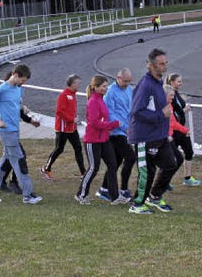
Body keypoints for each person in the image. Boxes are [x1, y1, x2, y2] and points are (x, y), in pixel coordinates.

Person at [127, 48, 179, 214]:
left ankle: (154, 196)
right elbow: (137, 111)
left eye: (166, 63)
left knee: (171, 164)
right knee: (147, 172)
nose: (164, 67)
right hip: (144, 136)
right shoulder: (146, 85)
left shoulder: (158, 84)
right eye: (161, 64)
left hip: (159, 135)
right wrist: (160, 115)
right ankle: (136, 204)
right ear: (150, 65)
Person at [0, 64, 42, 204]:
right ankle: (27, 195)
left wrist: (30, 120)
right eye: (22, 80)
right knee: (20, 161)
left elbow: (17, 106)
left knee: (6, 161)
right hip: (6, 132)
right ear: (15, 75)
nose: (23, 83)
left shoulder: (18, 89)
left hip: (14, 131)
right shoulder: (2, 89)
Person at [75, 76, 128, 206]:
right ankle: (81, 194)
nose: (105, 88)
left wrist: (108, 126)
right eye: (103, 86)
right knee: (94, 168)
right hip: (92, 141)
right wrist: (112, 125)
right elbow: (93, 122)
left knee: (113, 165)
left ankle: (114, 197)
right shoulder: (93, 101)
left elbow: (102, 119)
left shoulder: (100, 99)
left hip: (104, 139)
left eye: (106, 86)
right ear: (96, 87)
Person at [97, 68, 136, 201]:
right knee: (130, 157)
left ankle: (103, 188)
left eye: (129, 81)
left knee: (116, 161)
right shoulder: (110, 92)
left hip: (126, 130)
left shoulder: (129, 89)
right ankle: (123, 189)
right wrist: (124, 127)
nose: (127, 84)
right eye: (125, 81)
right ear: (118, 78)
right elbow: (110, 114)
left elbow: (131, 108)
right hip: (116, 132)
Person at [40, 74, 86, 180]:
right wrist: (72, 119)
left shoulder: (72, 94)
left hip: (71, 127)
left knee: (78, 148)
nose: (79, 85)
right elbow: (59, 111)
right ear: (73, 83)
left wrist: (74, 118)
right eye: (78, 83)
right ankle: (46, 168)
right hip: (63, 128)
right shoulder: (64, 95)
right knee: (59, 148)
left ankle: (83, 173)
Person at [166, 73, 202, 186]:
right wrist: (185, 110)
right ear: (171, 82)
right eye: (179, 81)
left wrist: (185, 130)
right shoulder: (168, 96)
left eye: (181, 81)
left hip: (180, 129)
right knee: (171, 158)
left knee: (189, 152)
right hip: (173, 131)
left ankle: (187, 178)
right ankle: (164, 181)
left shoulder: (175, 94)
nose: (181, 84)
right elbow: (171, 114)